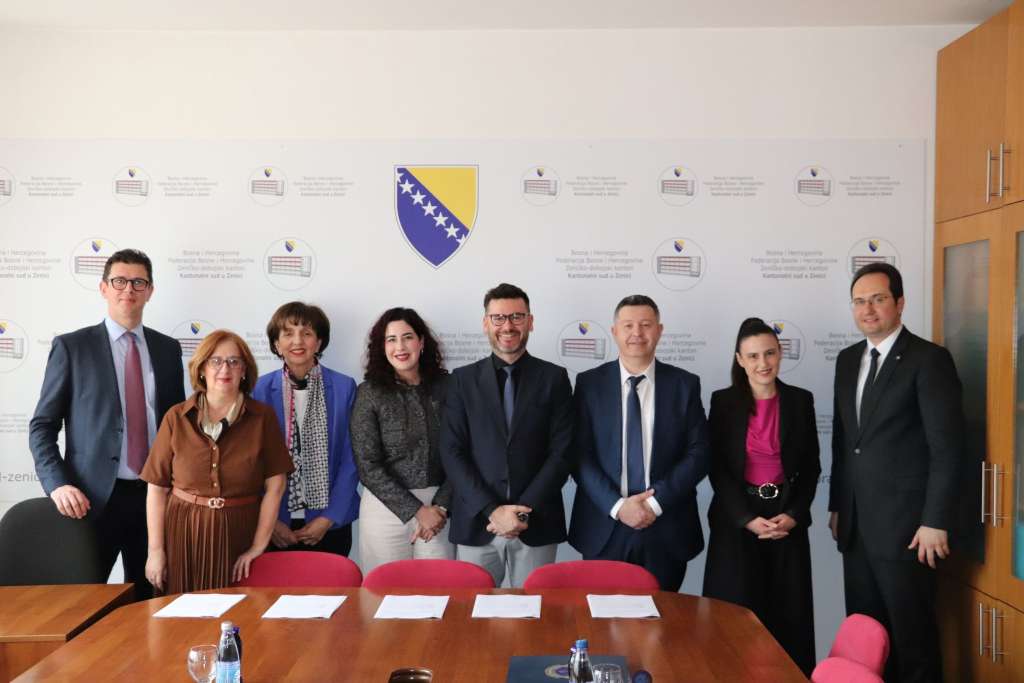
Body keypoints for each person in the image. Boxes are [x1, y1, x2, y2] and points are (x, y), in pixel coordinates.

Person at [829, 262, 965, 683]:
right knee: (866, 638)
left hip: (909, 531)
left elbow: (947, 448)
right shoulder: (848, 360)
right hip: (856, 528)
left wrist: (935, 520)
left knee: (912, 640)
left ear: (900, 302)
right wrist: (837, 506)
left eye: (878, 299)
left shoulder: (929, 360)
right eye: (859, 301)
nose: (868, 309)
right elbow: (844, 443)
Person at [29, 249, 184, 600]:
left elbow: (177, 427)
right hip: (92, 500)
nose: (128, 289)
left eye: (138, 282)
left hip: (156, 498)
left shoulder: (167, 349)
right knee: (83, 604)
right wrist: (57, 484)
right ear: (103, 288)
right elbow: (42, 426)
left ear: (150, 291)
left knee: (152, 601)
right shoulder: (72, 347)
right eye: (119, 281)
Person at [701, 317, 819, 676]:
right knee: (732, 621)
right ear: (740, 360)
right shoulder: (723, 402)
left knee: (790, 621)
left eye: (769, 353)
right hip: (736, 522)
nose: (763, 363)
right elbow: (718, 469)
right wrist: (746, 519)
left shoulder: (800, 400)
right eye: (753, 356)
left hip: (786, 521)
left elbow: (811, 467)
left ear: (780, 353)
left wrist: (794, 515)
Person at [568, 294, 710, 591]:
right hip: (605, 525)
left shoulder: (684, 384)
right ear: (614, 331)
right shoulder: (589, 384)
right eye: (628, 325)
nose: (637, 333)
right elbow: (578, 455)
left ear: (659, 330)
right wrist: (618, 506)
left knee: (663, 617)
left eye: (645, 325)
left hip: (666, 524)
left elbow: (699, 453)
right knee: (603, 617)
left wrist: (654, 504)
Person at [441, 283, 573, 587]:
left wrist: (521, 513)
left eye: (516, 316)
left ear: (530, 321)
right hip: (478, 522)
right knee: (473, 612)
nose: (508, 326)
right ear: (486, 323)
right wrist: (493, 511)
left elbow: (562, 452)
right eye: (498, 318)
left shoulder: (554, 378)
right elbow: (452, 451)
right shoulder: (462, 380)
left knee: (535, 611)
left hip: (537, 522)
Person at [142, 330, 293, 593]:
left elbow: (276, 487)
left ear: (244, 370)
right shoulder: (176, 418)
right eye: (215, 361)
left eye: (234, 361)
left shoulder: (263, 418)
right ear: (201, 368)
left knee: (243, 613)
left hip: (241, 534)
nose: (225, 369)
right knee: (182, 613)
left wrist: (258, 547)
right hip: (183, 534)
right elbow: (156, 488)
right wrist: (155, 551)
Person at [350, 307, 453, 573]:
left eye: (407, 337)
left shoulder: (448, 387)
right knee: (386, 591)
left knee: (439, 589)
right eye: (391, 339)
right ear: (382, 347)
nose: (400, 347)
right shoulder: (369, 393)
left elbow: (463, 452)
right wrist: (417, 510)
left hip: (439, 508)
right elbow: (367, 465)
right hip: (385, 508)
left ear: (421, 341)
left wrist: (440, 506)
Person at [252, 302, 359, 556]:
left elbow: (353, 457)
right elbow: (251, 462)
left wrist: (329, 517)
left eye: (307, 333)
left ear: (319, 343)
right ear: (276, 344)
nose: (297, 341)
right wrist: (270, 520)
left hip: (330, 522)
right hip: (275, 521)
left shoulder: (344, 388)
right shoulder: (259, 390)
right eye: (288, 333)